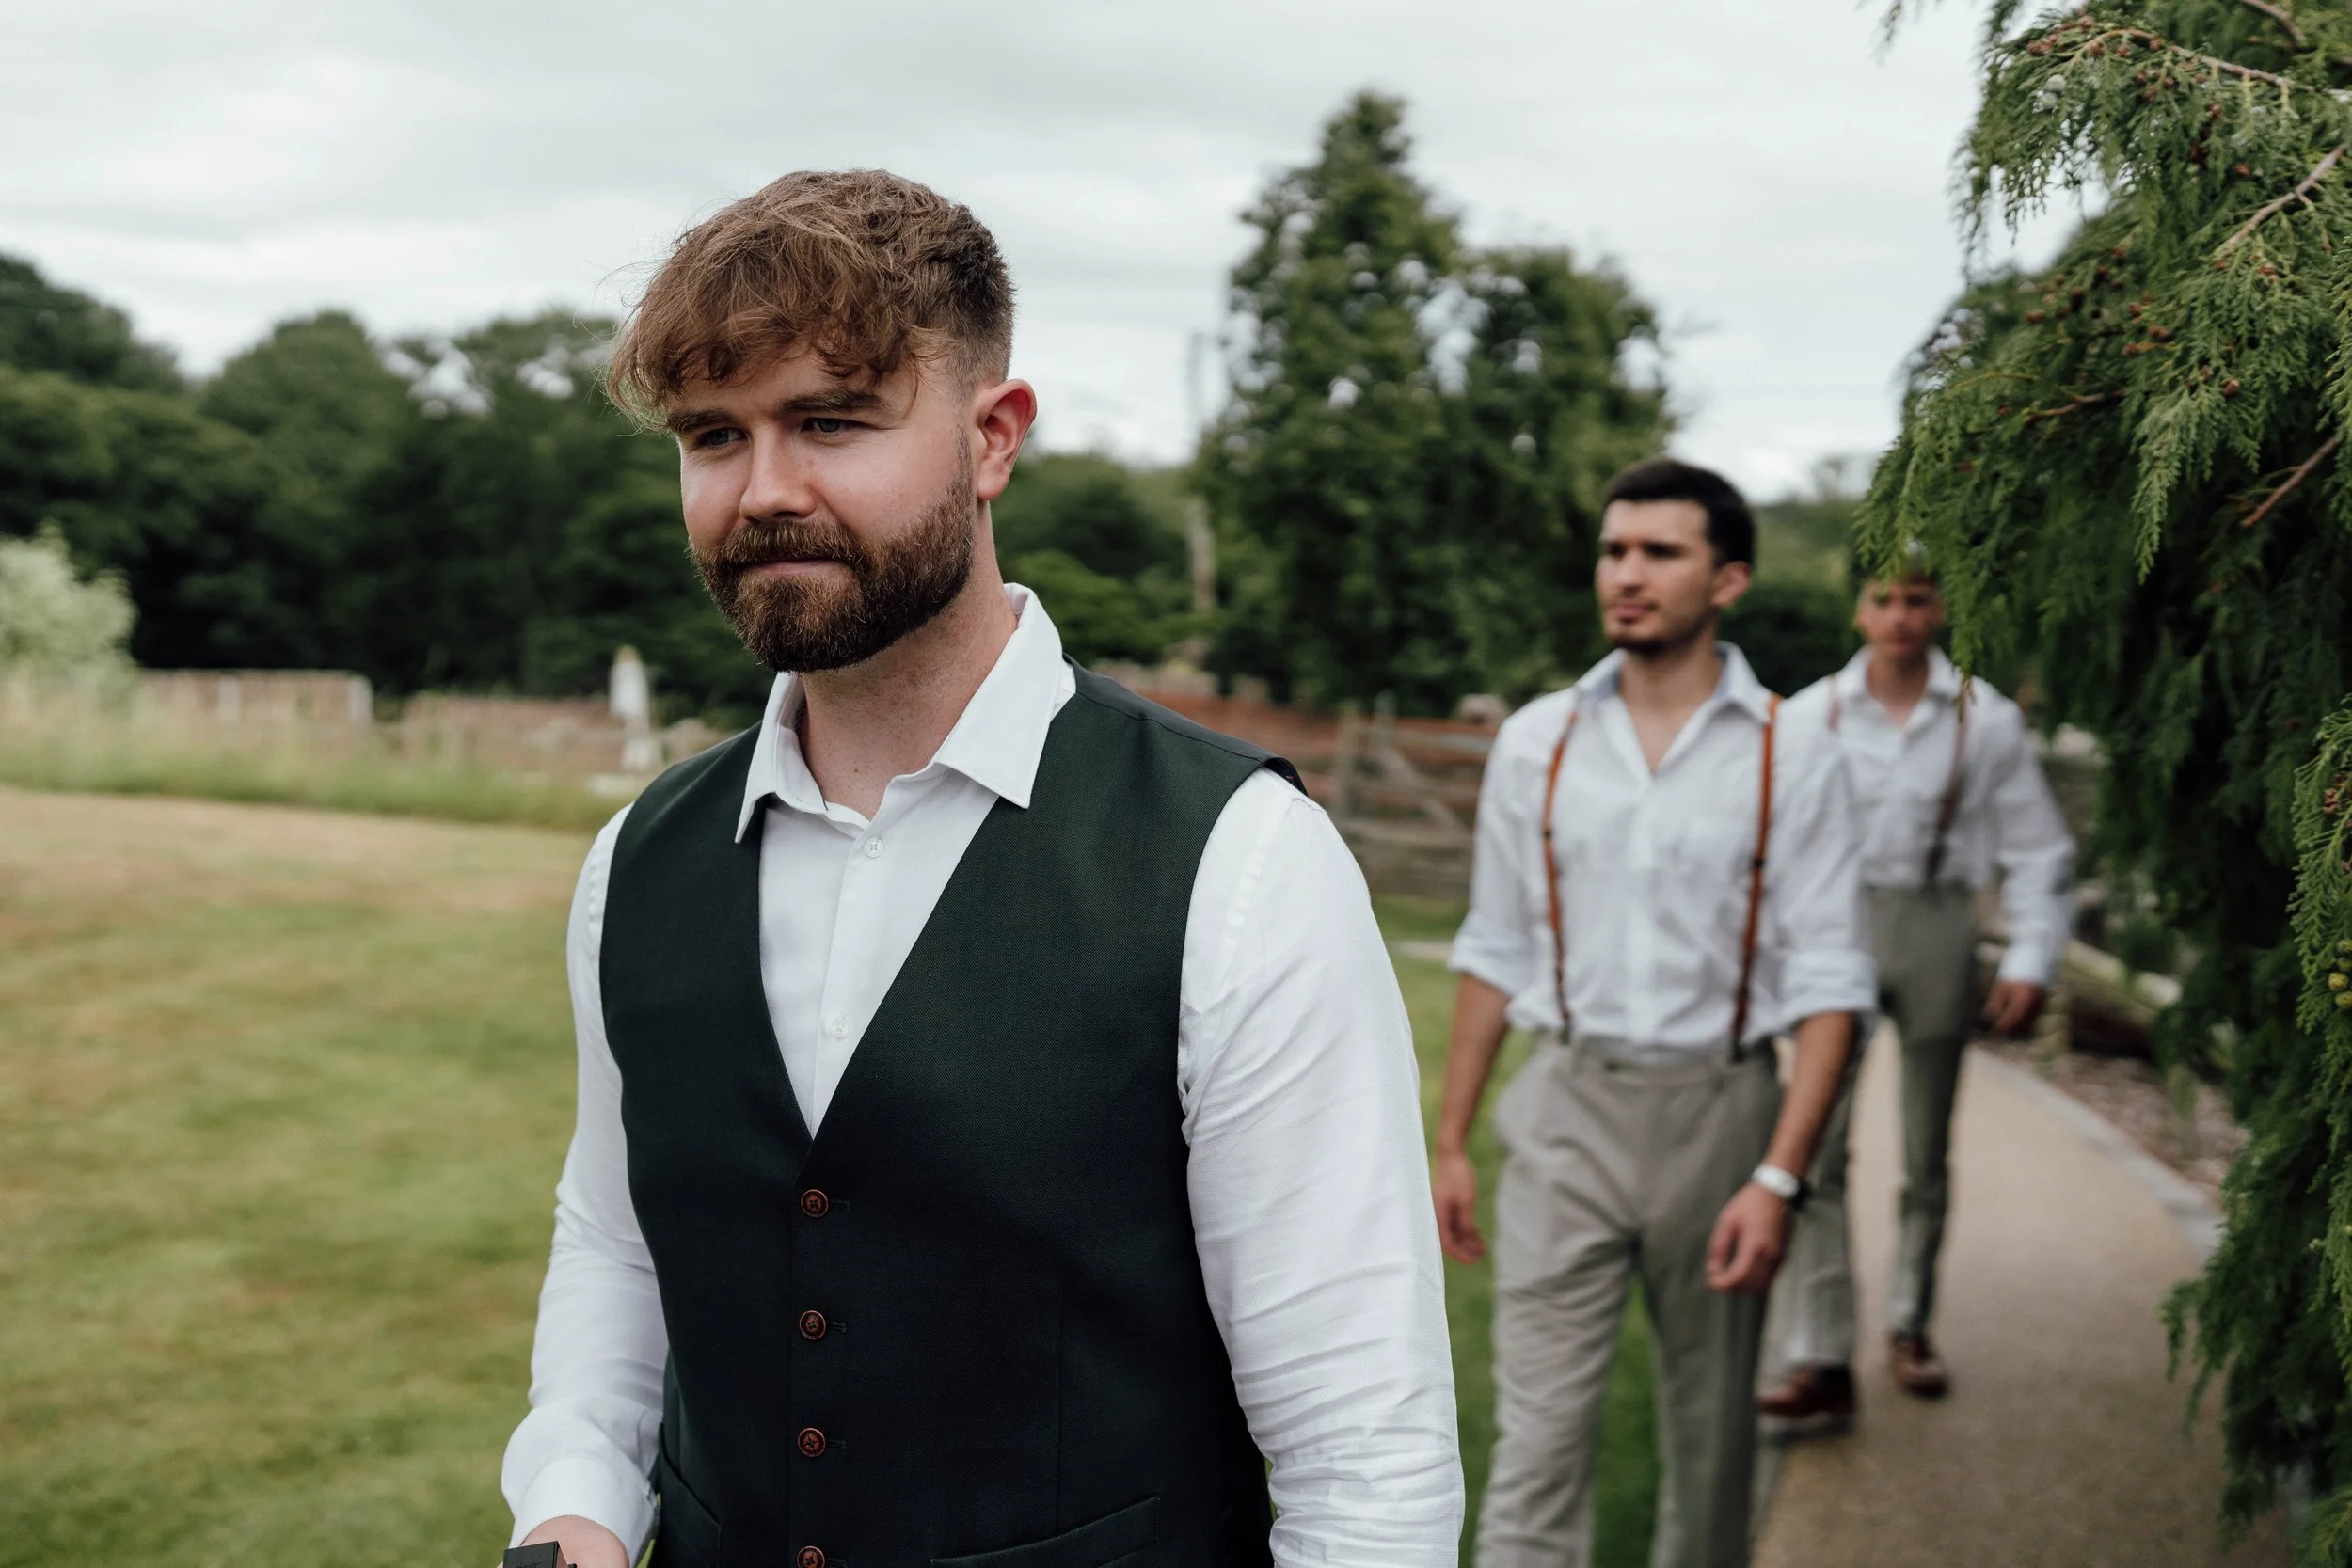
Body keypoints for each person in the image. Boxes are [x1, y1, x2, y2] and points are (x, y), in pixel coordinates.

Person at [501, 169, 1461, 1568]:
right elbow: (619, 1242)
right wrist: (573, 1505)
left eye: (832, 420)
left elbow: (1361, 1443)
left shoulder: (1235, 857)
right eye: (715, 435)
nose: (765, 489)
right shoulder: (638, 858)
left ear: (992, 438)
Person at [1433, 458, 1872, 1568]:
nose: (1625, 575)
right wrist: (1449, 1139)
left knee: (1710, 1442)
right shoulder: (1538, 738)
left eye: (1658, 553)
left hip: (1722, 1113)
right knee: (1533, 1446)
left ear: (1727, 579)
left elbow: (1830, 985)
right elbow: (1494, 945)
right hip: (1565, 1105)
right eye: (1614, 550)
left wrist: (1778, 1178)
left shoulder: (1795, 749)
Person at [1758, 560, 2074, 1416]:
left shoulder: (1988, 718)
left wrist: (2028, 958)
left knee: (1925, 1144)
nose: (1900, 616)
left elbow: (2040, 849)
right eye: (1883, 599)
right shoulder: (1813, 713)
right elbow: (1776, 841)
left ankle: (1909, 1322)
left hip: (1938, 923)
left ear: (1941, 609)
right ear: (1859, 611)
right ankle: (1821, 1352)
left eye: (1918, 599)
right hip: (1840, 926)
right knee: (1815, 1144)